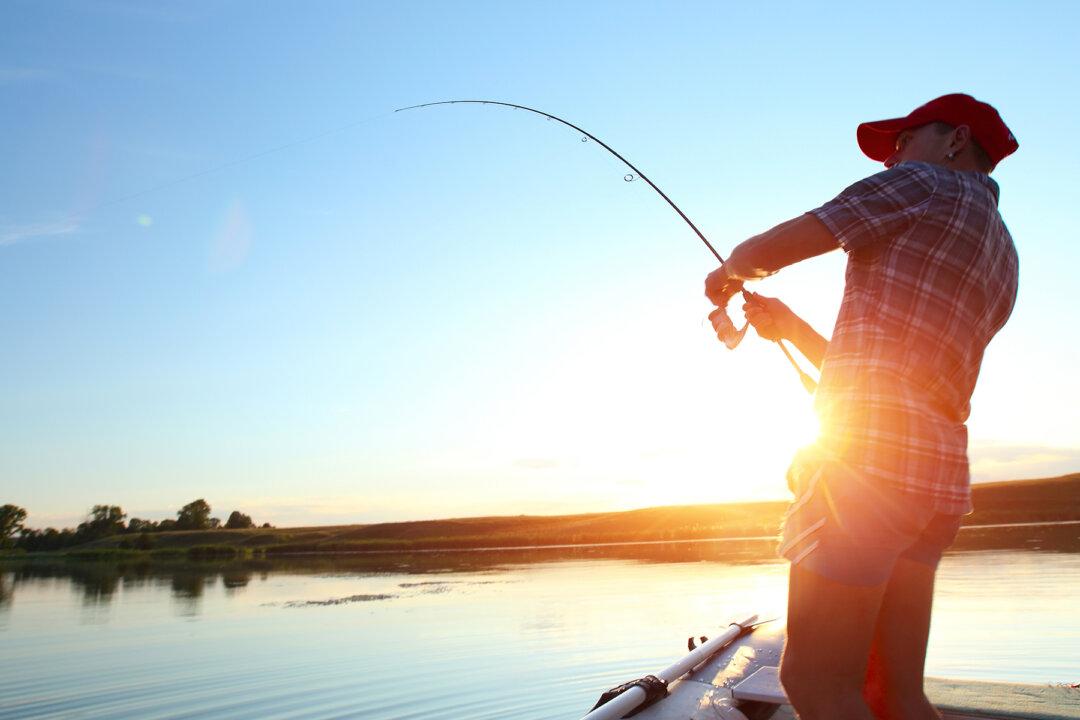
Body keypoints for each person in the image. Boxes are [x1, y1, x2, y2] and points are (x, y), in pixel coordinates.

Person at [704, 94, 1020, 720]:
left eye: (902, 142)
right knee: (896, 694)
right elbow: (891, 374)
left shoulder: (922, 184)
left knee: (816, 682)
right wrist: (792, 328)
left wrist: (731, 273)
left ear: (956, 140)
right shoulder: (1004, 251)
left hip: (868, 471)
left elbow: (770, 250)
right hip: (935, 479)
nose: (892, 160)